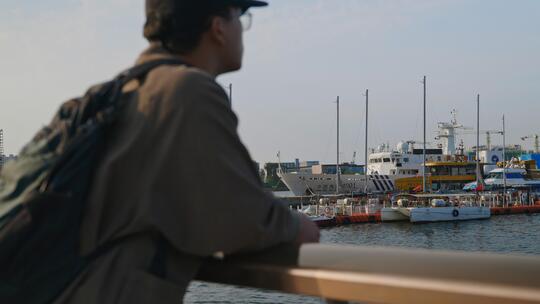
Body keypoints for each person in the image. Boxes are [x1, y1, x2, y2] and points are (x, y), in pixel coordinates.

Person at [53, 0, 319, 303]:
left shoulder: (114, 93)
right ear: (218, 28)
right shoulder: (187, 91)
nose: (242, 31)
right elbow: (240, 217)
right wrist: (297, 226)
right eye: (240, 17)